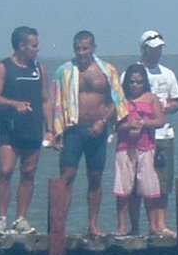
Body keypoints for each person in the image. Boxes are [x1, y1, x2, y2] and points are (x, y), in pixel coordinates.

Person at [51, 31, 128, 236]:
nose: (81, 52)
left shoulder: (107, 71)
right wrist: (55, 132)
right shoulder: (64, 71)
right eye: (77, 48)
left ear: (93, 48)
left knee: (95, 177)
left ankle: (93, 225)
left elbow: (117, 101)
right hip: (73, 129)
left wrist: (103, 122)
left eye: (85, 48)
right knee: (67, 176)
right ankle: (60, 225)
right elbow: (56, 103)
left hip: (97, 130)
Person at [0, 26, 52, 236]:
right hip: (10, 130)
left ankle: (21, 218)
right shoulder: (3, 67)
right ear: (21, 46)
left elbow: (45, 100)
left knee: (28, 173)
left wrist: (50, 129)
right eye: (34, 45)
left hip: (33, 129)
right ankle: (2, 219)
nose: (37, 49)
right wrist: (14, 104)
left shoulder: (39, 68)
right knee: (5, 171)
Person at [130, 31, 178, 236]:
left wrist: (168, 106)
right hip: (139, 137)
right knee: (136, 182)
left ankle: (160, 224)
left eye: (160, 49)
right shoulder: (134, 73)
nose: (157, 53)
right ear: (143, 49)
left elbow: (176, 101)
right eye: (153, 49)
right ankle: (135, 225)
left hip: (163, 134)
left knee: (163, 181)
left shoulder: (168, 74)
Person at [113, 65, 165, 235]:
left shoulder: (151, 99)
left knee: (149, 188)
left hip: (146, 147)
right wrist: (129, 125)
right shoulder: (121, 100)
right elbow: (116, 125)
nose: (135, 85)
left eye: (139, 82)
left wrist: (143, 124)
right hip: (125, 147)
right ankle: (123, 226)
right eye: (131, 82)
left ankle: (153, 225)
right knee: (124, 189)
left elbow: (160, 121)